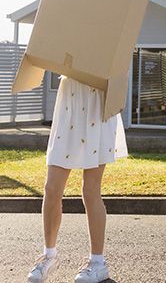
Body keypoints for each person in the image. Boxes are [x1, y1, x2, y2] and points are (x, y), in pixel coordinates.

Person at [27, 75, 127, 283]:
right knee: (51, 188)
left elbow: (120, 58)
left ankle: (98, 263)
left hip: (99, 100)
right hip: (70, 100)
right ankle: (49, 256)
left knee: (90, 190)